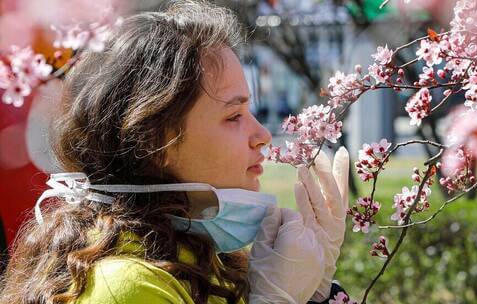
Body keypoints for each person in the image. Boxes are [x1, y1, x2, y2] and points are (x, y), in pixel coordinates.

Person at [0, 1, 351, 303]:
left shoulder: (200, 257)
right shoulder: (125, 286)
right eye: (233, 116)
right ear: (155, 142)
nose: (262, 136)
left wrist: (316, 293)